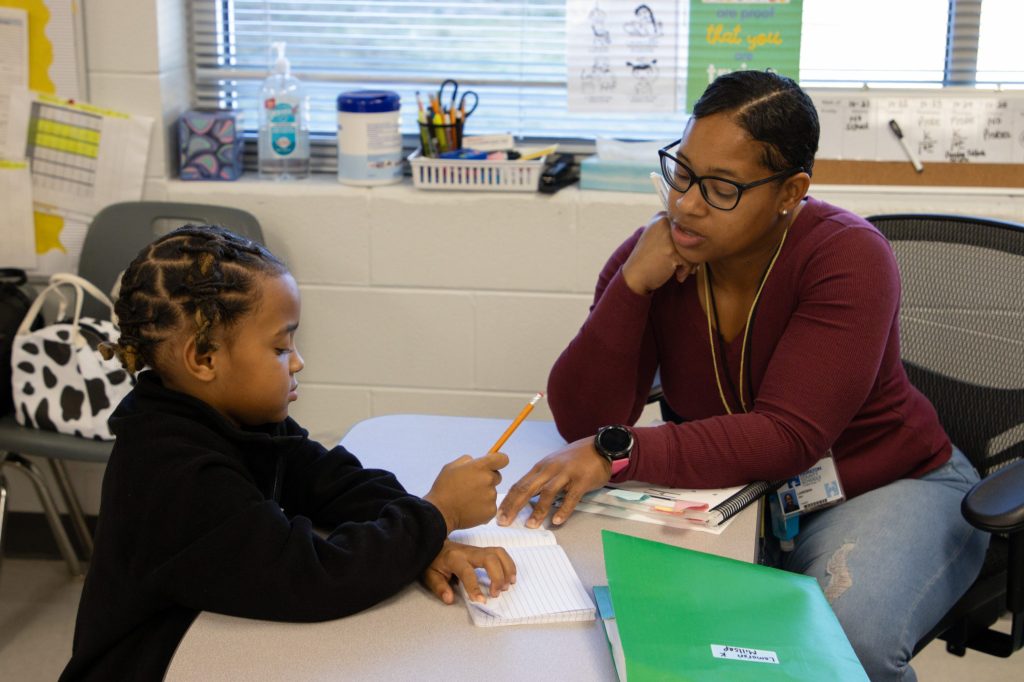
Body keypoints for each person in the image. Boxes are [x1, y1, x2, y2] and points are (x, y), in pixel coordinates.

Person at [498, 70, 988, 681]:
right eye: (682, 173)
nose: (686, 204)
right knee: (646, 640)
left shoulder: (849, 257)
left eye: (722, 188)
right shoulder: (657, 251)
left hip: (884, 483)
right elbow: (580, 419)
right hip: (736, 495)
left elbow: (789, 436)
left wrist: (615, 454)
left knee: (844, 646)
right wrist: (630, 288)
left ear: (791, 191)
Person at [60, 225, 514, 681]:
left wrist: (424, 535)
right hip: (155, 666)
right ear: (204, 359)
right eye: (280, 346)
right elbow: (312, 578)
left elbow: (331, 480)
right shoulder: (175, 473)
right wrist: (439, 515)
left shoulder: (236, 418)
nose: (297, 362)